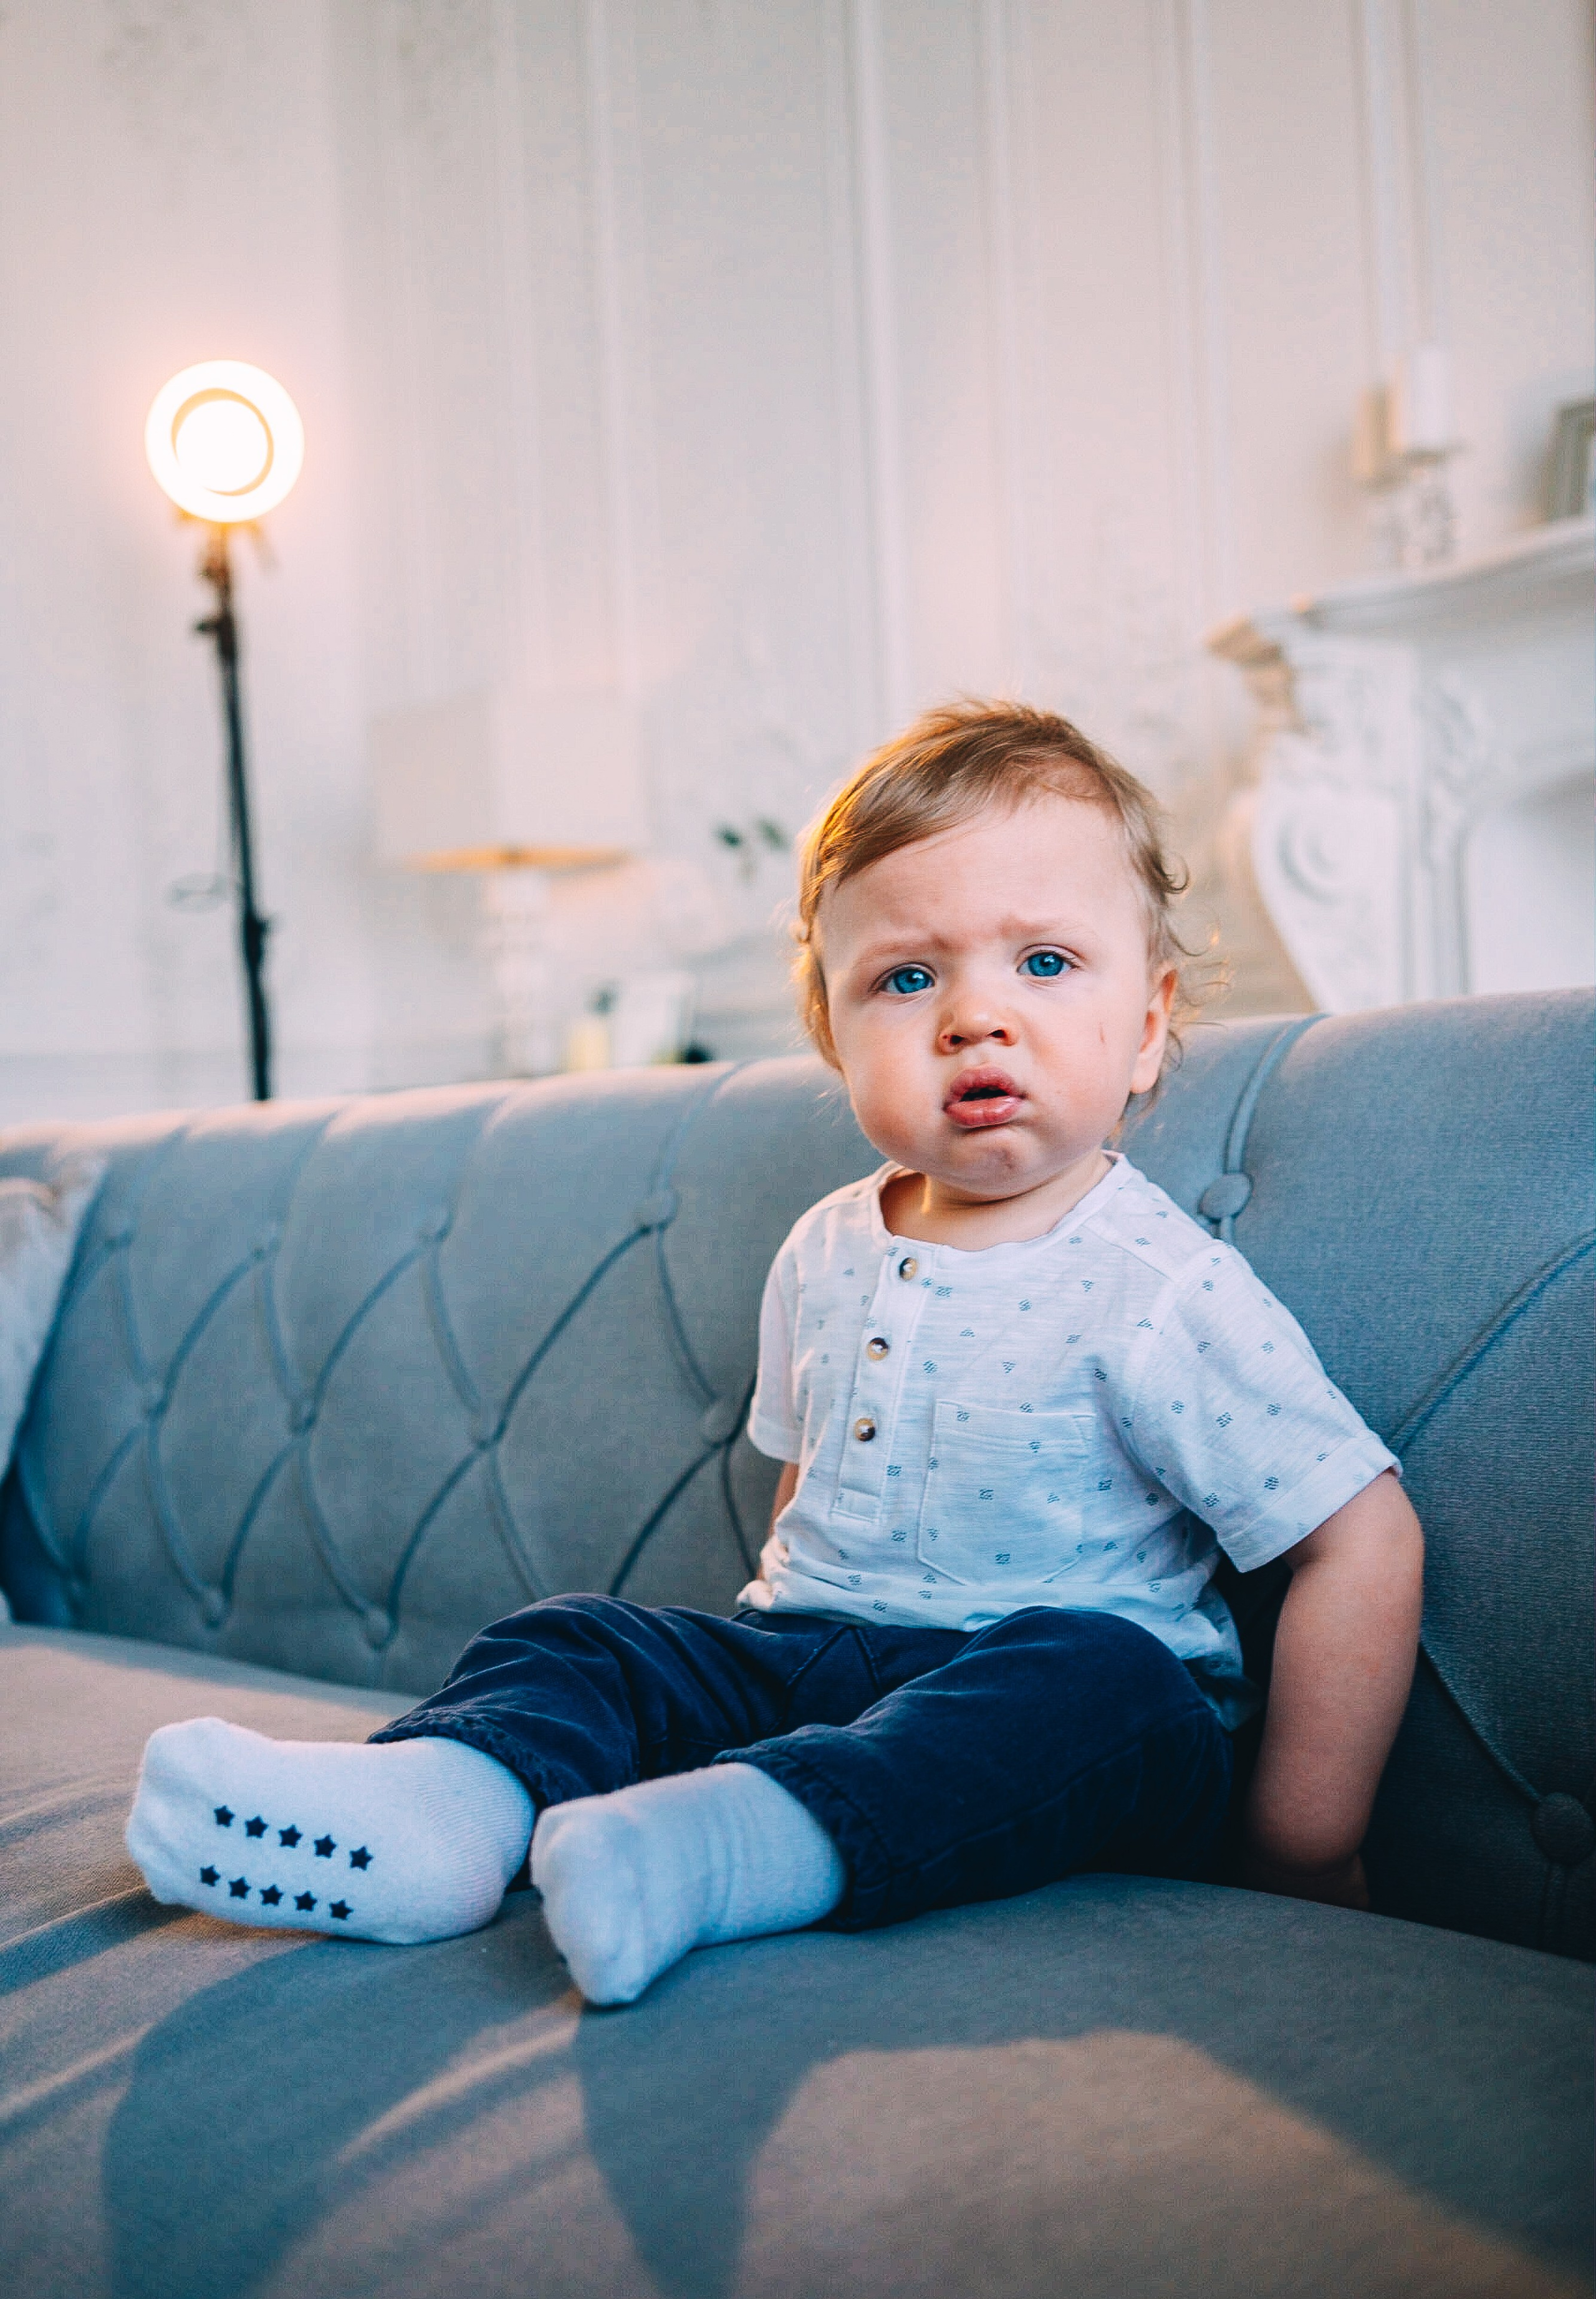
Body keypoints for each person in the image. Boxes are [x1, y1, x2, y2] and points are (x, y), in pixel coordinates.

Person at [126, 701, 1425, 2005]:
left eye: (1042, 962)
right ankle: (438, 1815)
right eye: (905, 979)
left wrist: (1305, 1845)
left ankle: (724, 1847)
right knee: (578, 1637)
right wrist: (736, 1677)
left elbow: (1357, 1537)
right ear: (834, 1035)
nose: (975, 1016)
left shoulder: (1159, 1286)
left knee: (1097, 1677)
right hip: (815, 1664)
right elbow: (801, 1504)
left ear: (1145, 1027)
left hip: (1065, 1718)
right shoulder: (824, 1248)